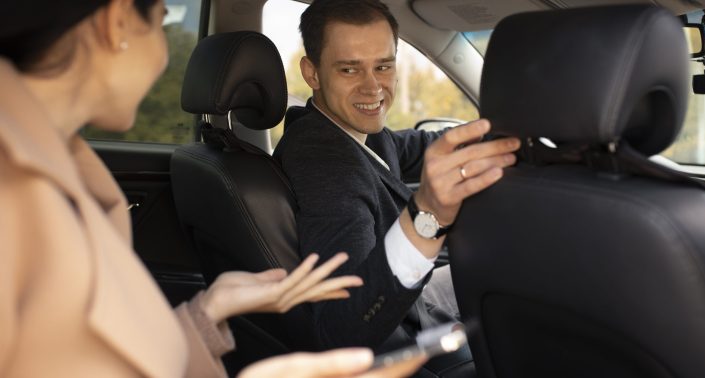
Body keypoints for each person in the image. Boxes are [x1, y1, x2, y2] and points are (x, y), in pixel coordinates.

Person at [0, 0, 424, 377]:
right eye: (163, 23)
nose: (168, 55)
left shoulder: (62, 164)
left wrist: (205, 315)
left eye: (383, 65)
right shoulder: (15, 194)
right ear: (117, 22)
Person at [273, 0, 521, 351]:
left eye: (383, 66)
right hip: (401, 331)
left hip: (408, 300)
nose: (373, 87)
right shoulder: (327, 163)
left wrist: (514, 133)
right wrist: (427, 217)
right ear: (311, 73)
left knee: (504, 272)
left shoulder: (349, 130)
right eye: (349, 70)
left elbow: (423, 146)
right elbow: (342, 325)